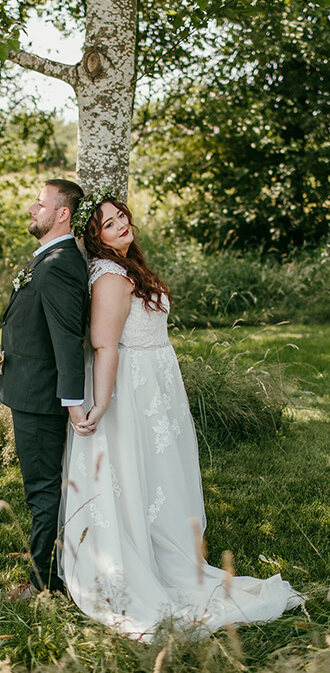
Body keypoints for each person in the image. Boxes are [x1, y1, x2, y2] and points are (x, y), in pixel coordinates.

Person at [60, 191, 304, 641]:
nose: (120, 225)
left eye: (121, 217)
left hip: (155, 383)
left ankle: (165, 550)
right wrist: (103, 403)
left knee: (160, 475)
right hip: (130, 390)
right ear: (94, 238)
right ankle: (137, 565)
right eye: (108, 224)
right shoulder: (111, 276)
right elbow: (104, 344)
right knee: (136, 474)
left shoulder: (128, 266)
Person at [0, 179, 89, 597]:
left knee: (43, 491)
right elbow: (40, 328)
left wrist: (73, 404)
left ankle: (42, 585)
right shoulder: (49, 258)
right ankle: (52, 574)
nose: (32, 208)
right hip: (28, 384)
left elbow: (67, 340)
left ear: (62, 214)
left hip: (42, 399)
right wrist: (7, 352)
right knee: (44, 488)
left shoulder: (61, 263)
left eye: (40, 203)